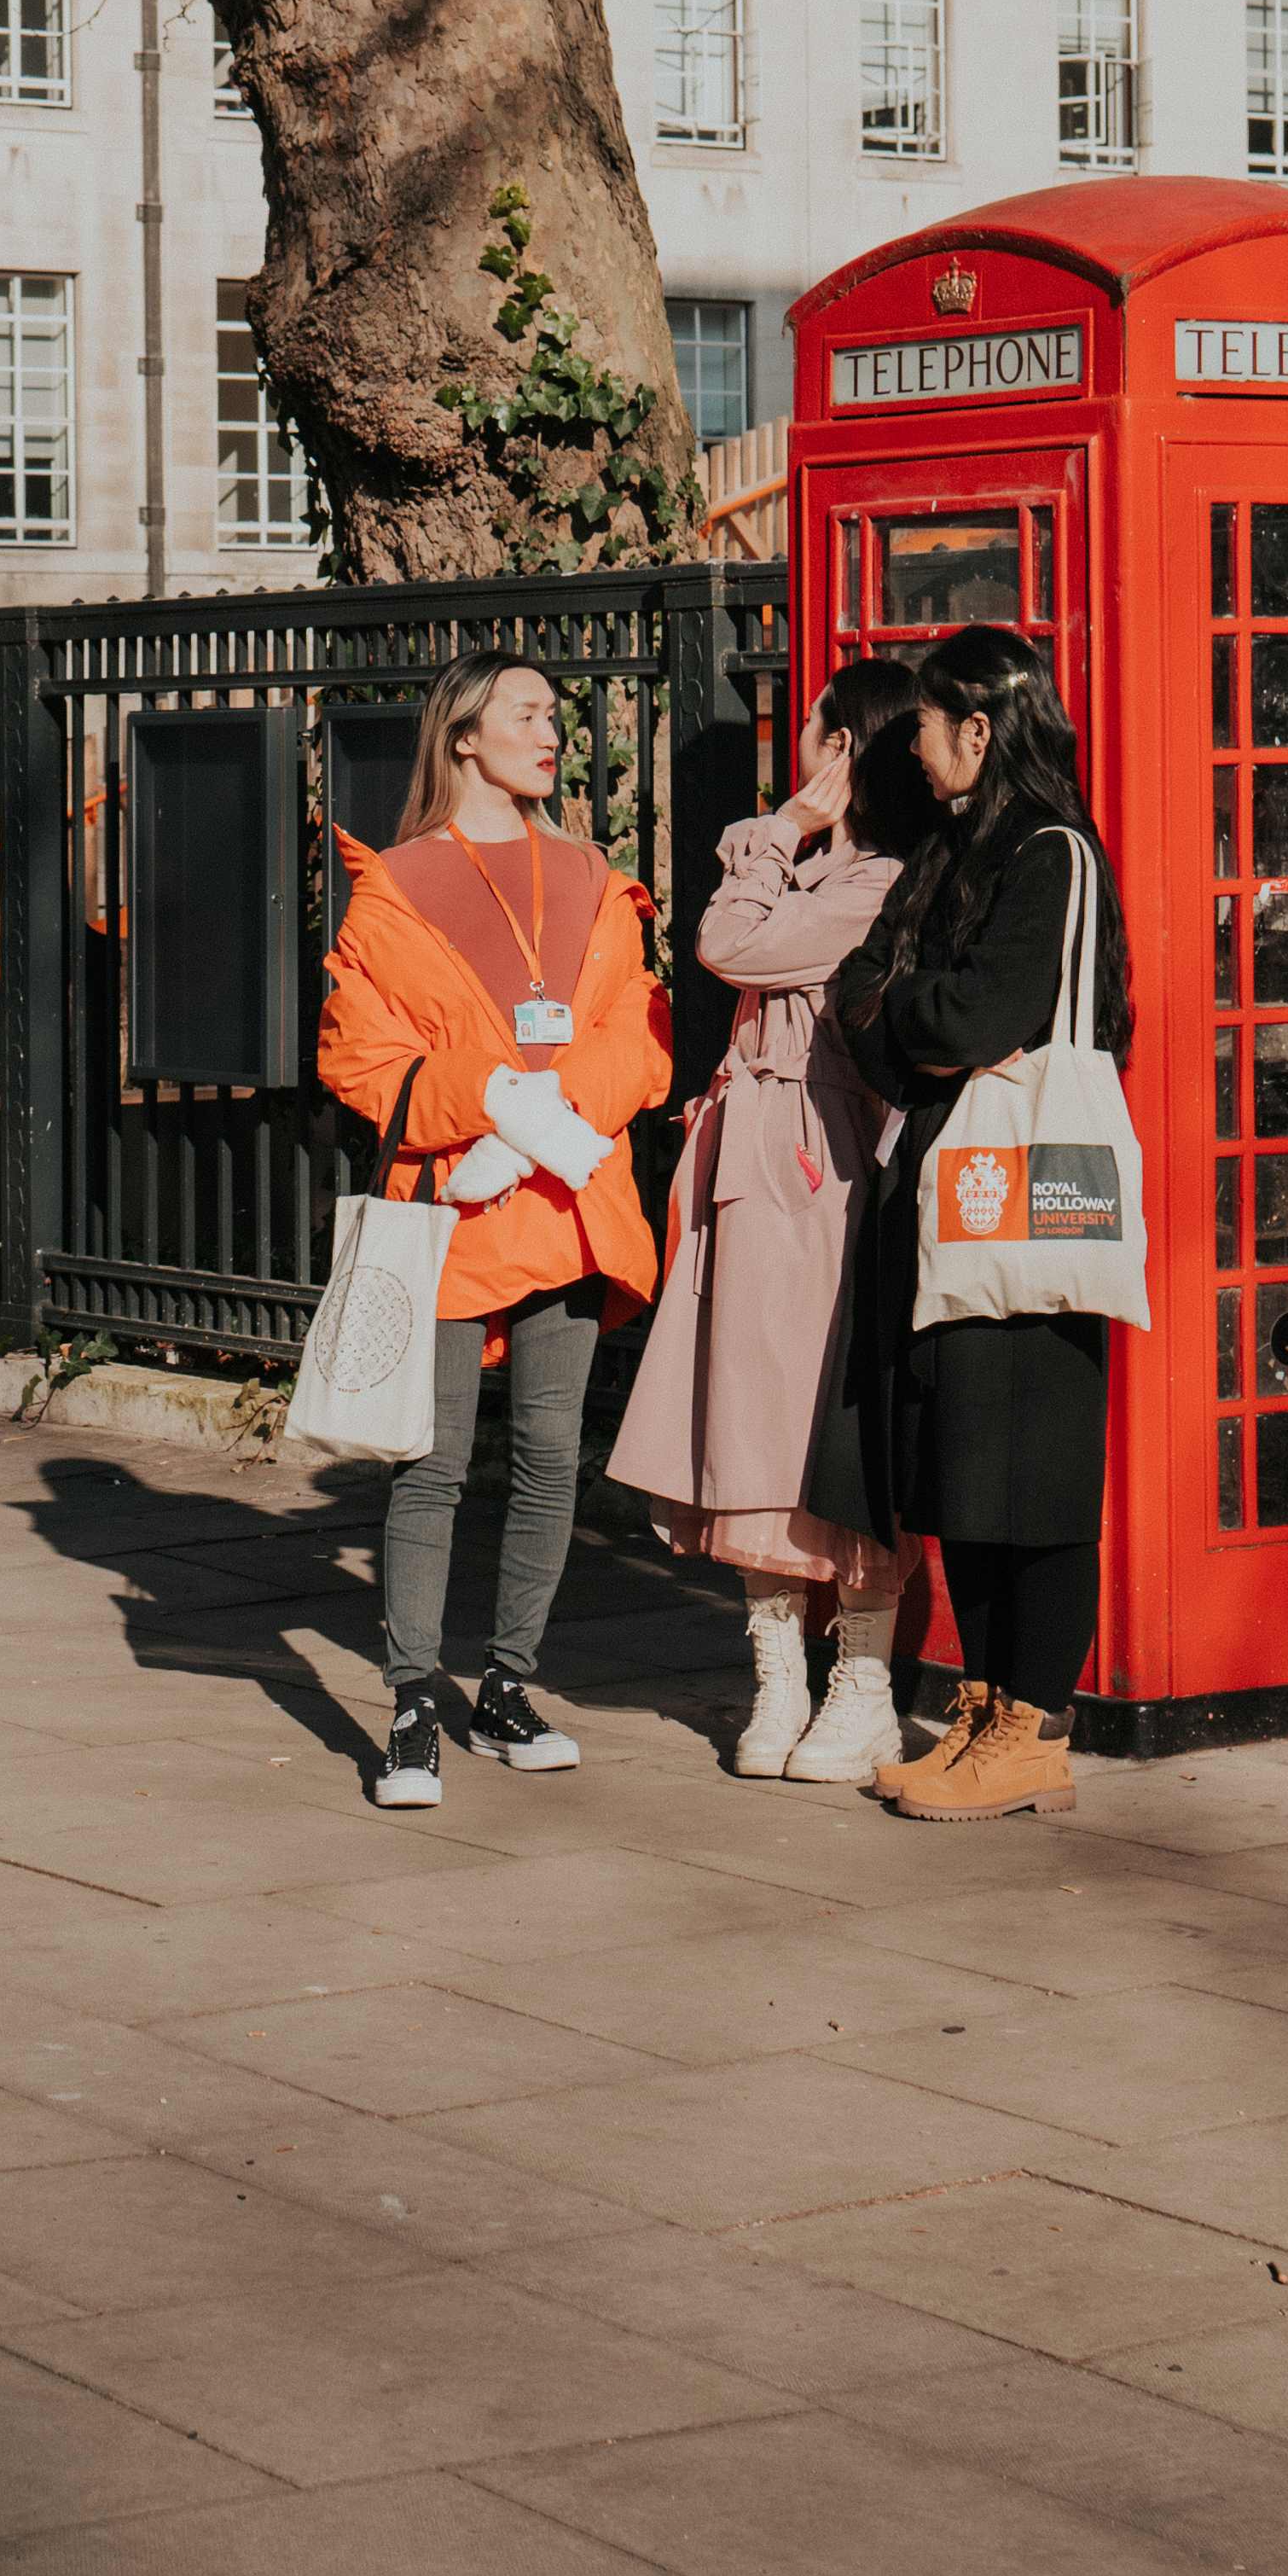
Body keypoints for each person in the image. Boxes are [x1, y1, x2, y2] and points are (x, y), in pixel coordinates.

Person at [313, 653, 671, 1812]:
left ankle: (508, 1686)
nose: (549, 730)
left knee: (553, 1456)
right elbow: (360, 1055)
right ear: (462, 736)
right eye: (525, 712)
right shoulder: (397, 885)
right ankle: (415, 1702)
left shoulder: (590, 873)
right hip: (455, 1210)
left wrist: (550, 1112)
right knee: (434, 1462)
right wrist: (494, 1102)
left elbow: (641, 1033)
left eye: (554, 717)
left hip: (566, 1203)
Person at [830, 622, 1126, 1823]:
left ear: (980, 728)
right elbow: (862, 987)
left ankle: (1038, 1719)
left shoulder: (1053, 852)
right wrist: (904, 1007)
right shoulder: (956, 850)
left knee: (1036, 1468)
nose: (914, 745)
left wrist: (903, 1006)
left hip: (1029, 1184)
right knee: (964, 1461)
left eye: (928, 724)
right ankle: (988, 1699)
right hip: (950, 1184)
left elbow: (975, 1015)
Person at [612, 654, 925, 1781]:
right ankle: (778, 1672)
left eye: (818, 735)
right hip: (754, 1167)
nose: (799, 752)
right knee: (747, 1416)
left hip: (824, 1173)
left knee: (831, 1422)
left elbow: (726, 942)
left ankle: (867, 1683)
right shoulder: (817, 872)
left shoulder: (877, 879)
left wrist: (782, 825)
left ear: (850, 749)